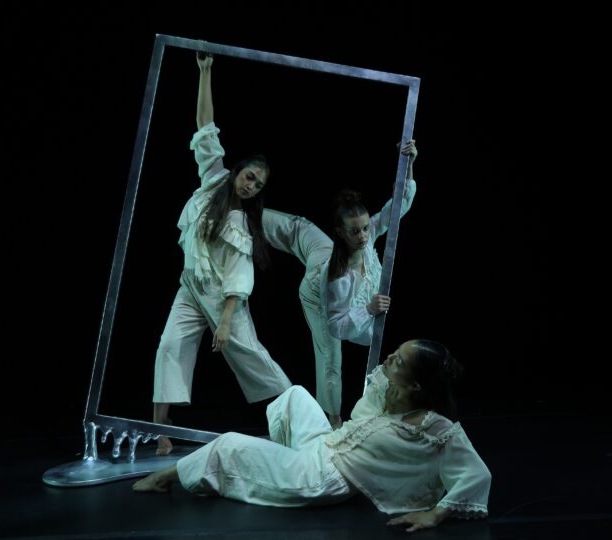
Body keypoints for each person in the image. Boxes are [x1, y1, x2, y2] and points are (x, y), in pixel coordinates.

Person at [134, 338, 491, 533]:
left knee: (228, 443)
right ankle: (272, 467)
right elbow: (360, 417)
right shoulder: (389, 392)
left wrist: (436, 514)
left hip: (322, 478)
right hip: (325, 447)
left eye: (396, 361)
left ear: (415, 384)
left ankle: (168, 477)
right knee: (295, 395)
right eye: (394, 353)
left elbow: (478, 474)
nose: (387, 361)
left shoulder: (431, 426)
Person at [152, 51, 292, 455]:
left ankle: (300, 418)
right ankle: (159, 430)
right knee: (169, 347)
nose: (252, 186)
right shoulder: (213, 181)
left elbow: (238, 274)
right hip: (189, 288)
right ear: (237, 171)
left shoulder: (238, 221)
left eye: (259, 185)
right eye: (250, 177)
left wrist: (226, 322)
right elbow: (205, 126)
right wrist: (205, 70)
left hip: (223, 298)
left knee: (253, 356)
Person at [261, 142, 417, 428]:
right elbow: (337, 325)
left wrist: (408, 165)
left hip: (325, 252)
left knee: (301, 228)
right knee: (331, 356)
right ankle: (333, 420)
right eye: (355, 231)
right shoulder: (337, 277)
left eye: (365, 228)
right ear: (341, 233)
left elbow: (395, 210)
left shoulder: (366, 236)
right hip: (317, 292)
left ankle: (252, 217)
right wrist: (369, 309)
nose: (363, 236)